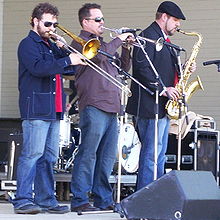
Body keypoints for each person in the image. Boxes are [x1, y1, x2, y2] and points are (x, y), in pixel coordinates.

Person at [11, 2, 85, 214]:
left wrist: (64, 50)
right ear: (35, 21)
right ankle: (23, 199)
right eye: (48, 23)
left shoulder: (50, 45)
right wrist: (65, 60)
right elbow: (38, 68)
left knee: (49, 157)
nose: (52, 27)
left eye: (55, 23)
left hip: (54, 109)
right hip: (36, 108)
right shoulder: (28, 44)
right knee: (32, 155)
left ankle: (46, 199)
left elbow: (69, 68)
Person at [70, 3, 133, 212]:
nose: (102, 23)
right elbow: (97, 55)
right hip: (94, 105)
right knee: (88, 154)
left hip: (112, 106)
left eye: (103, 19)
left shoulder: (105, 45)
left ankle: (102, 198)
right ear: (85, 22)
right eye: (98, 20)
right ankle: (79, 199)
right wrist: (118, 39)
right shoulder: (80, 43)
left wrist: (126, 46)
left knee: (106, 158)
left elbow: (123, 68)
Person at [126, 1, 195, 190]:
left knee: (159, 155)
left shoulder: (166, 41)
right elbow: (141, 68)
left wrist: (185, 67)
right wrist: (163, 89)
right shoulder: (147, 36)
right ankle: (145, 197)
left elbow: (166, 69)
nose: (178, 25)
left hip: (162, 107)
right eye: (175, 20)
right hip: (149, 105)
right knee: (151, 155)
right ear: (163, 17)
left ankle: (155, 194)